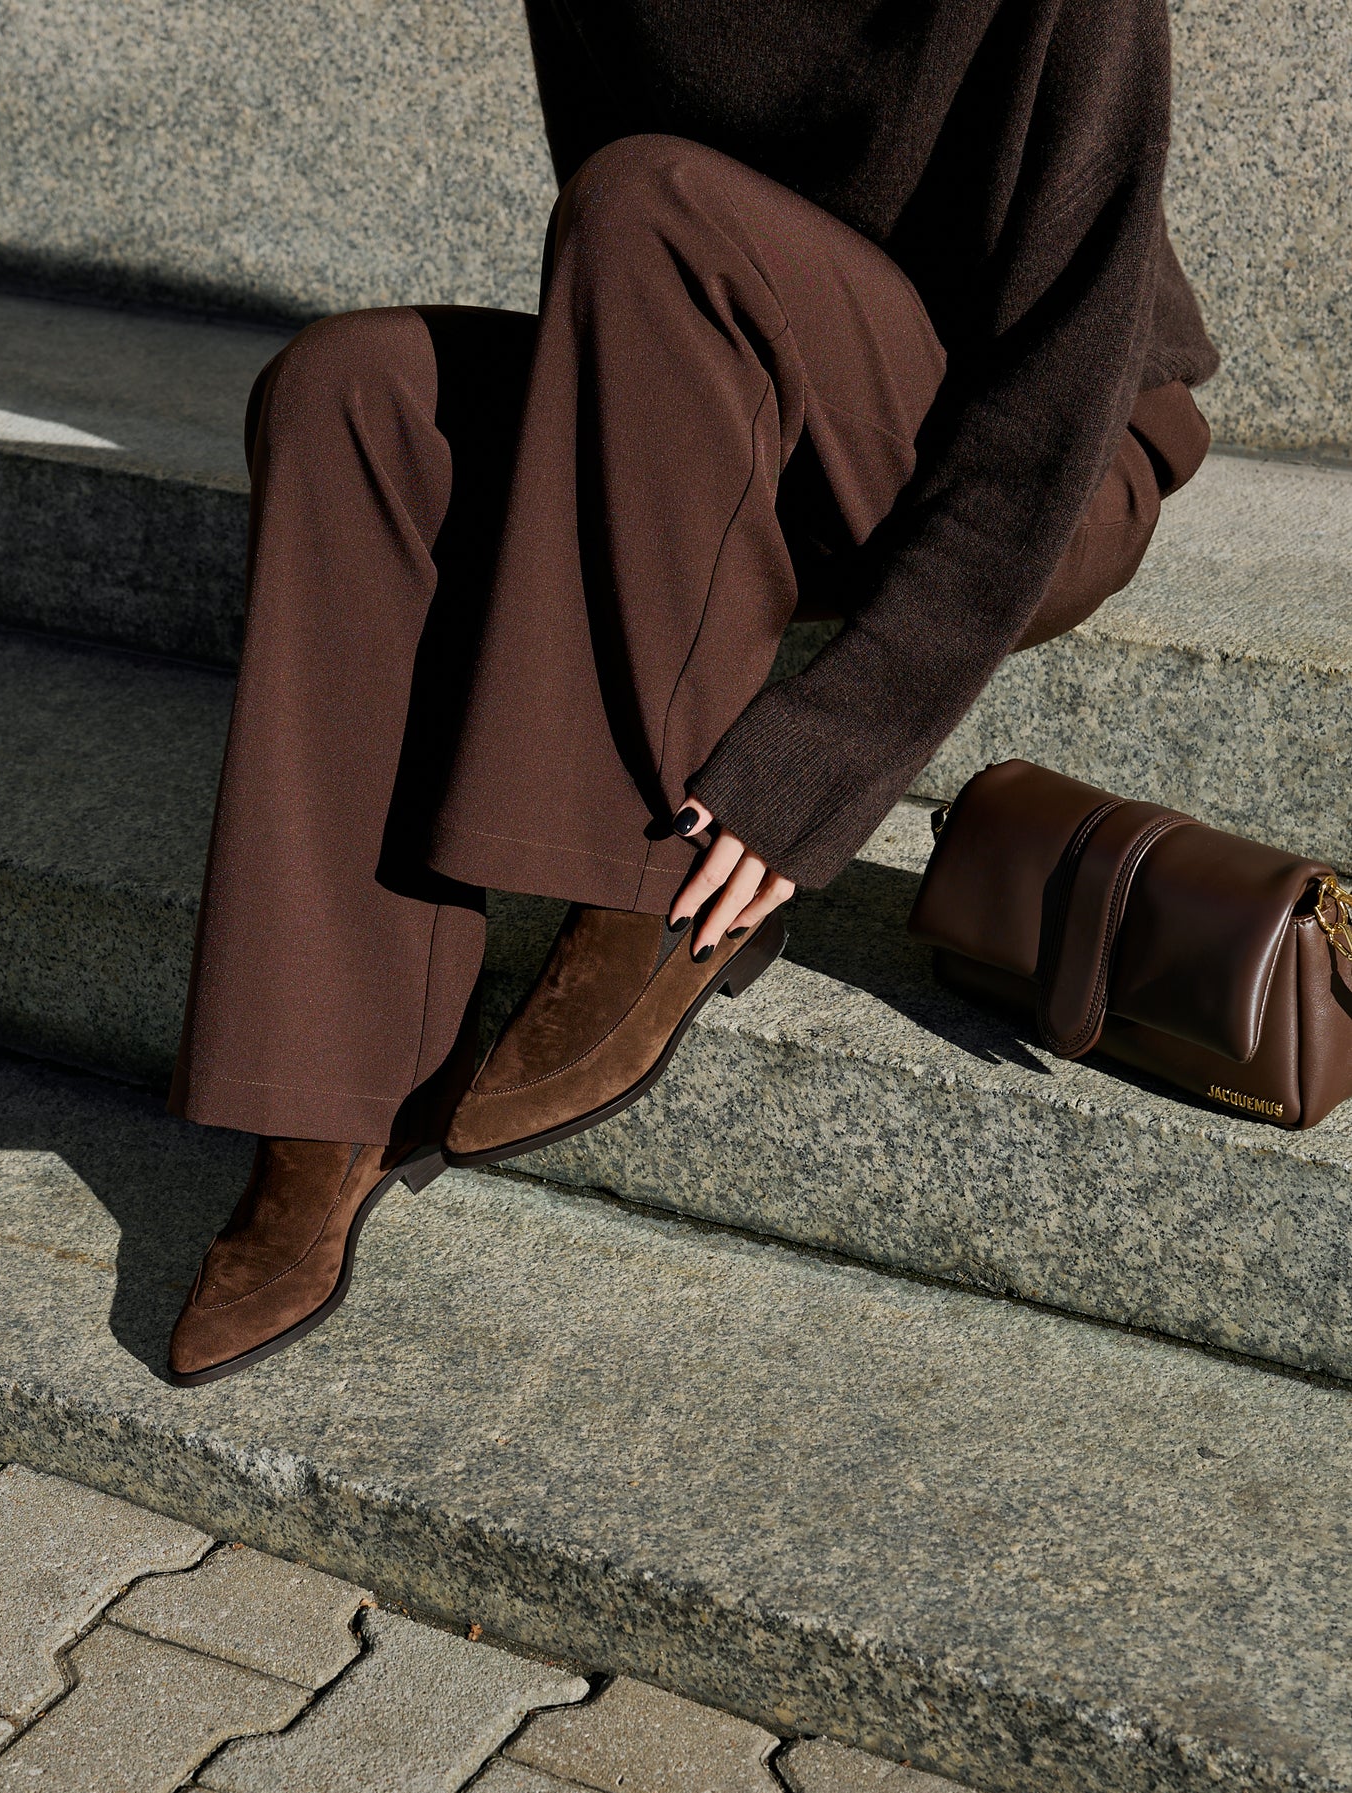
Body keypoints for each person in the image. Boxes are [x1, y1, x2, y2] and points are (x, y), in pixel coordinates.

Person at [166, 0, 1217, 1385]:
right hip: (736, 392)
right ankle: (325, 1083)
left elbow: (1063, 369)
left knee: (648, 198)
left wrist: (821, 753)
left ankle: (638, 887)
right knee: (346, 391)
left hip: (1032, 460)